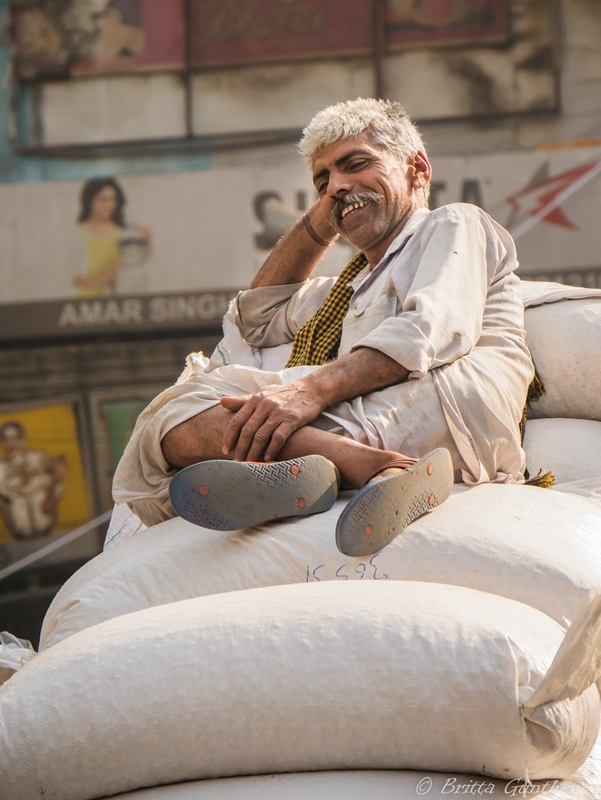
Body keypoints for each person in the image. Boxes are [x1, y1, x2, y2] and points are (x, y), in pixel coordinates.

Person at [113, 98, 533, 556]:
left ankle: (339, 468)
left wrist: (307, 392)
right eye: (322, 179)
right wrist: (333, 205)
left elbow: (425, 331)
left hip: (448, 406)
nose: (336, 184)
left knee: (186, 413)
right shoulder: (345, 290)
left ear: (418, 168)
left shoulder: (453, 224)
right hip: (379, 416)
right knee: (171, 421)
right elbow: (255, 318)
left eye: (356, 163)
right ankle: (359, 469)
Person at [73, 177, 150, 298]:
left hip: (119, 301)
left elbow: (139, 260)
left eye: (113, 199)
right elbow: (75, 280)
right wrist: (104, 277)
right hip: (88, 303)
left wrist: (146, 240)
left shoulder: (124, 232)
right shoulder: (78, 234)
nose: (109, 205)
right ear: (89, 200)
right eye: (103, 199)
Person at [0, 421, 69, 540]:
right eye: (7, 439)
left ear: (23, 439)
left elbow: (56, 480)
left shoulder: (39, 457)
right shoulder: (1, 469)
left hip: (47, 524)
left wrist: (53, 498)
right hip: (19, 530)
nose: (12, 443)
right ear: (2, 443)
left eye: (15, 438)